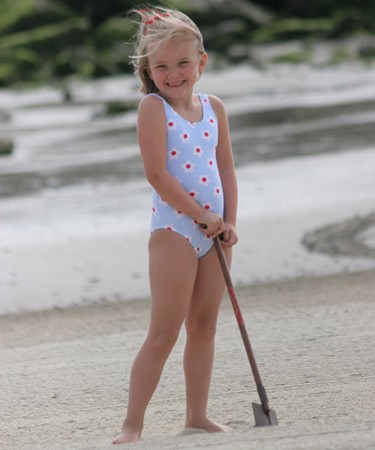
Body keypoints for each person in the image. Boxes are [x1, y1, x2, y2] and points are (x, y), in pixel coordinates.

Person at [112, 6, 238, 445]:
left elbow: (225, 170)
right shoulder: (153, 108)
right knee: (164, 331)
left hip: (216, 232)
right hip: (175, 233)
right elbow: (157, 175)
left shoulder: (214, 108)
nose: (173, 73)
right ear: (148, 69)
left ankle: (197, 415)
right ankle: (133, 424)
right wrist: (200, 215)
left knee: (204, 326)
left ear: (201, 62)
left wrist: (229, 222)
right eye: (161, 65)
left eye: (183, 62)